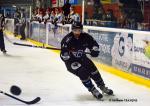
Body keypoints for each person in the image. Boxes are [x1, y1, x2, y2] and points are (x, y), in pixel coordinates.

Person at [60, 22, 113, 99]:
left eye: (79, 30)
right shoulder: (67, 40)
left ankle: (102, 86)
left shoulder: (86, 37)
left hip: (82, 58)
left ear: (81, 30)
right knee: (82, 72)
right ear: (72, 30)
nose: (77, 33)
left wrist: (95, 50)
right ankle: (92, 89)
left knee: (93, 69)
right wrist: (65, 55)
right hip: (71, 62)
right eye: (75, 30)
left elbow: (94, 44)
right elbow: (63, 54)